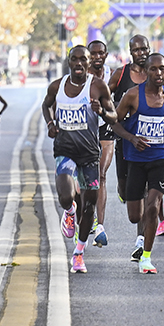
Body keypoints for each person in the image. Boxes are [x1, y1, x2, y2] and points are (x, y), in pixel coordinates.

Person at [42, 46, 117, 273]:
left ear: (88, 62)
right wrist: (51, 124)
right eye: (74, 59)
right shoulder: (58, 86)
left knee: (89, 205)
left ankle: (79, 253)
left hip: (89, 154)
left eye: (82, 60)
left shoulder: (97, 86)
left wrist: (101, 112)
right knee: (66, 196)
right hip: (65, 150)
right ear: (69, 62)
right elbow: (46, 105)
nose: (78, 64)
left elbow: (114, 116)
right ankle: (69, 211)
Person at [110, 53, 164, 274]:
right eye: (154, 69)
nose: (159, 73)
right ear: (146, 72)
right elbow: (114, 124)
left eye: (162, 69)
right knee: (134, 215)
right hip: (135, 160)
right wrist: (131, 138)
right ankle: (141, 237)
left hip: (159, 158)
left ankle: (146, 257)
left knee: (152, 207)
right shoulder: (132, 96)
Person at [107, 35, 153, 256]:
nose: (141, 53)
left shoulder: (155, 73)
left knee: (146, 192)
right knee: (126, 192)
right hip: (124, 139)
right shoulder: (121, 74)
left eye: (145, 48)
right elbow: (104, 97)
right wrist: (119, 106)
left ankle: (141, 240)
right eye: (137, 50)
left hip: (148, 143)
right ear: (130, 52)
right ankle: (124, 190)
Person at [86, 39, 114, 247]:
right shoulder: (80, 75)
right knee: (86, 178)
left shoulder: (113, 74)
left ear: (106, 55)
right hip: (84, 129)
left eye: (100, 53)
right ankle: (83, 214)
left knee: (101, 174)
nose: (97, 57)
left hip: (106, 127)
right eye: (93, 53)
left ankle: (100, 225)